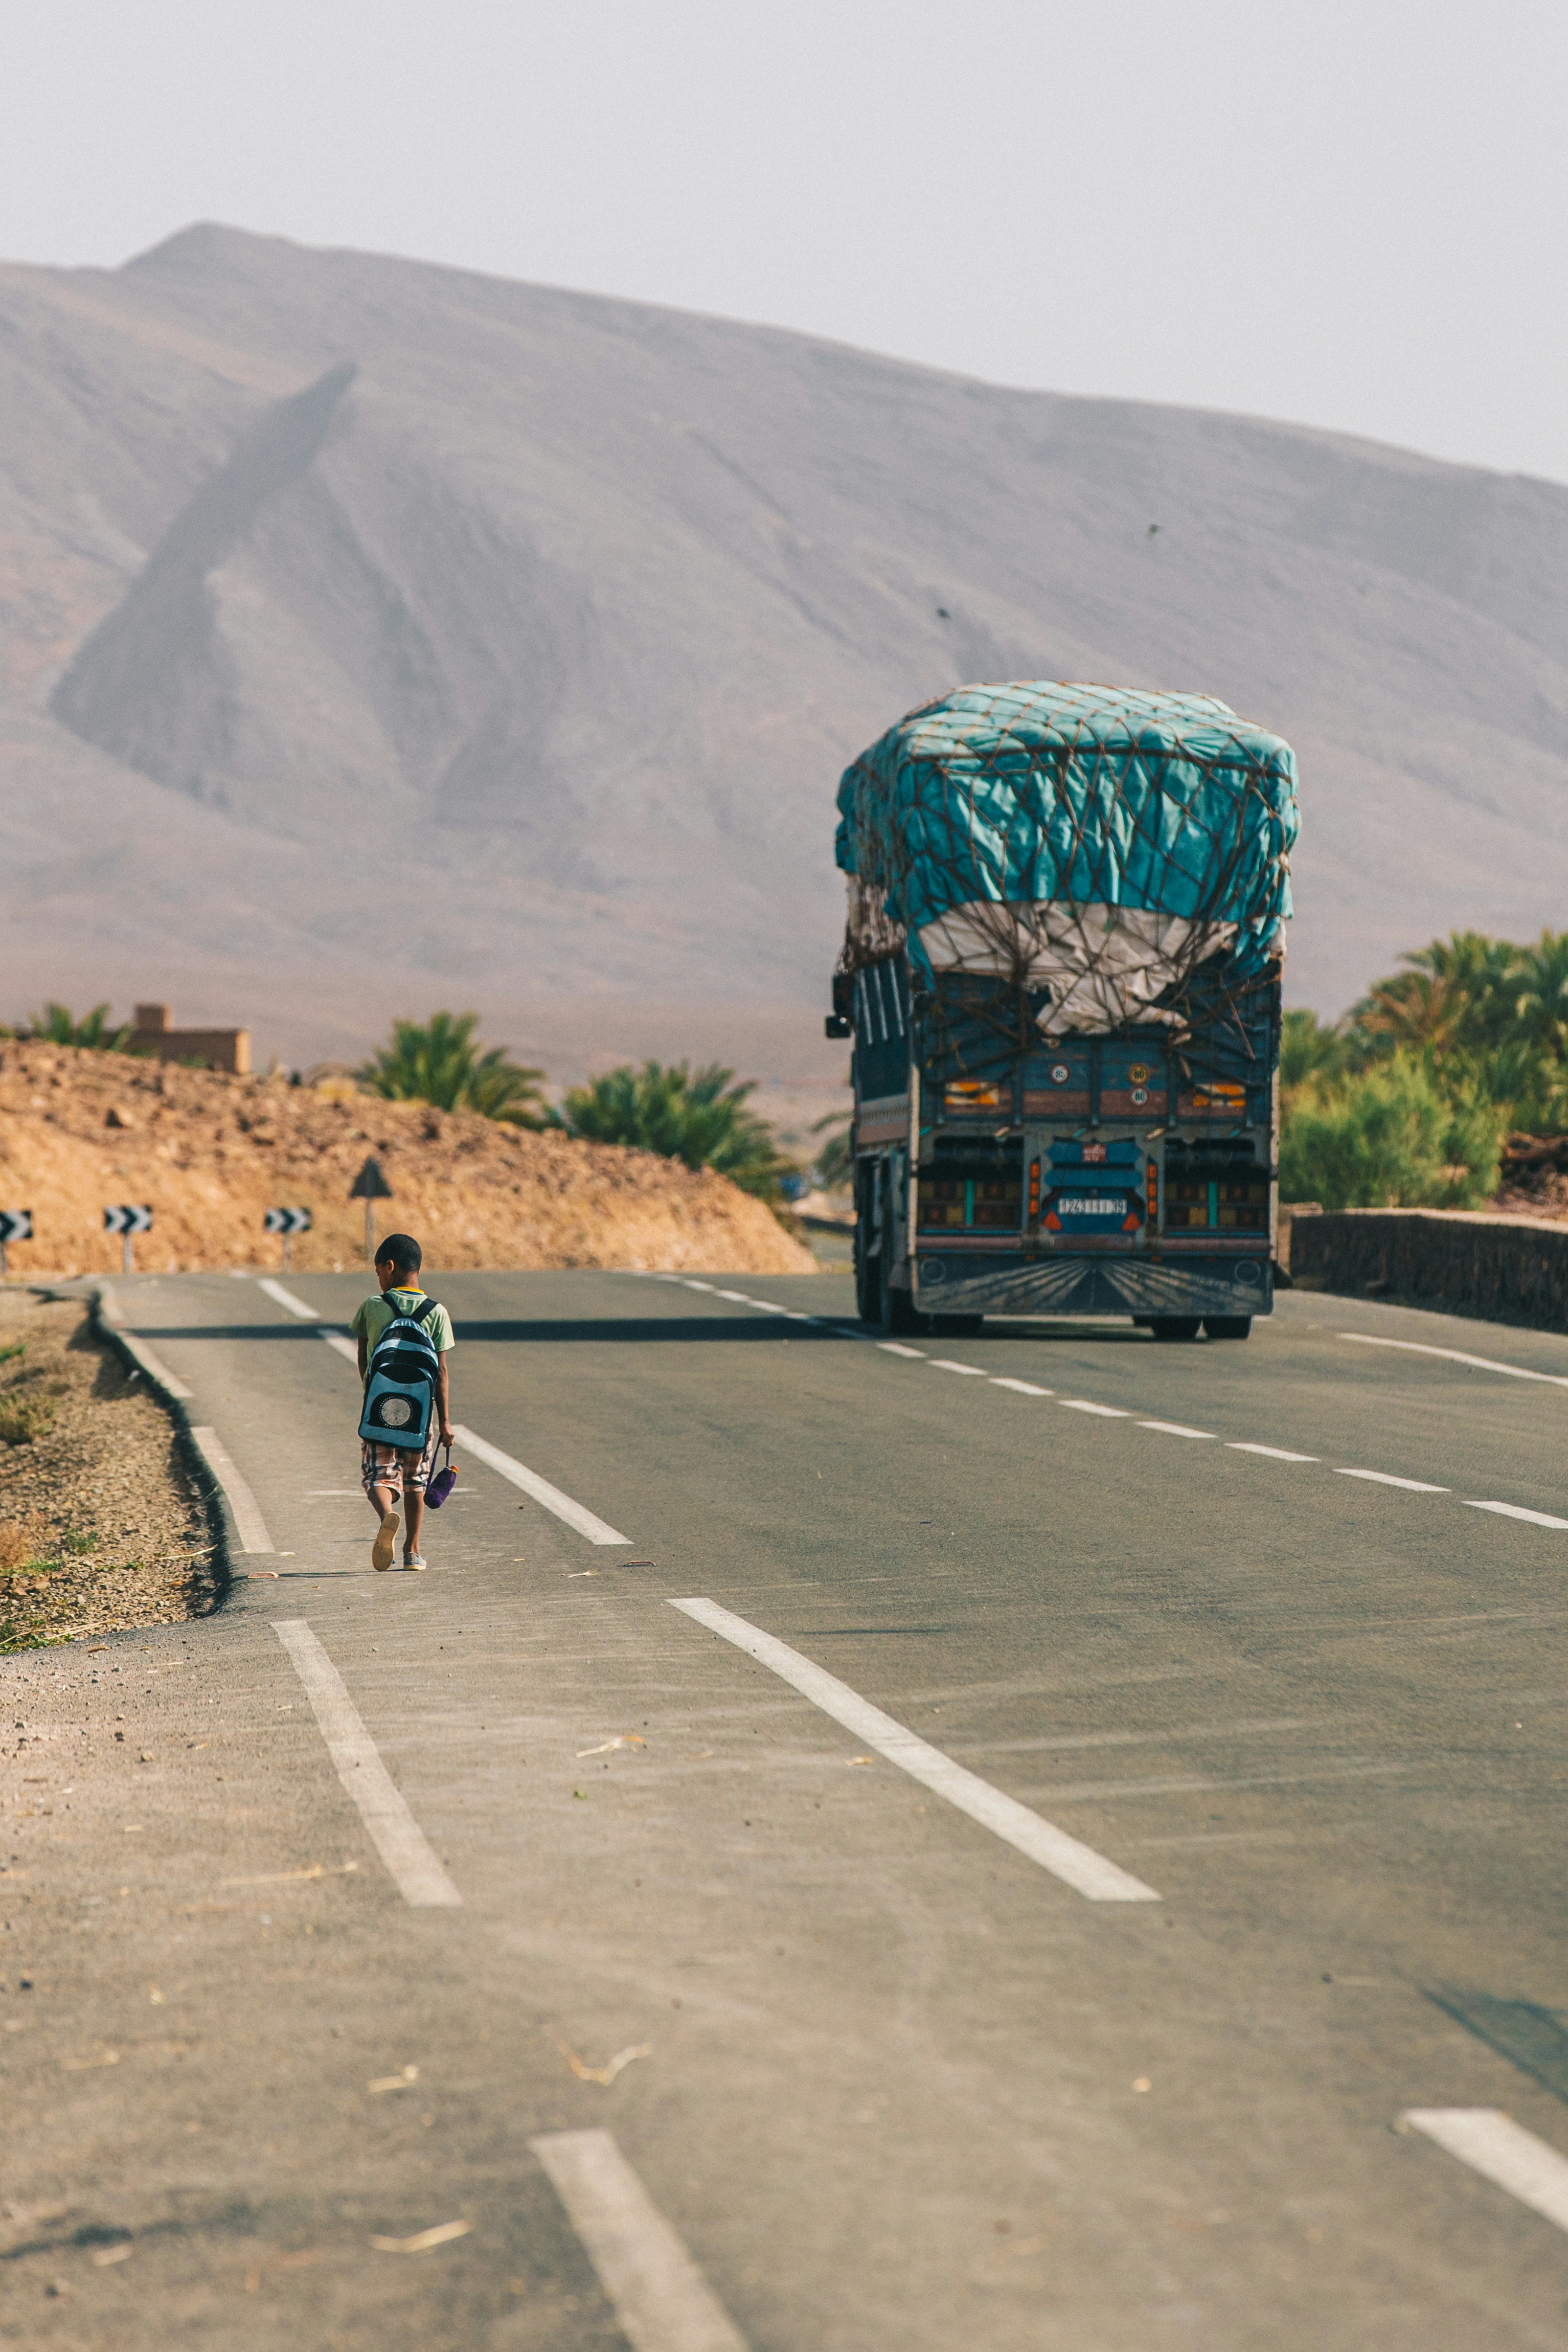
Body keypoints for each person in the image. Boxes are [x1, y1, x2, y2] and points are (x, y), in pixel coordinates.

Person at [352, 1233, 456, 1571]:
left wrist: (372, 1393)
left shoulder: (373, 1306)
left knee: (377, 1476)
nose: (379, 1279)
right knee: (415, 1481)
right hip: (420, 1413)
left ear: (390, 1267)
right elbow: (440, 1373)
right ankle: (413, 1552)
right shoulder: (437, 1313)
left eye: (379, 1271)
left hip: (379, 1408)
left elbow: (363, 1357)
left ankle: (387, 1516)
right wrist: (445, 1423)